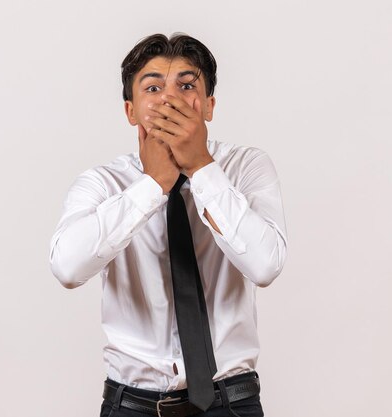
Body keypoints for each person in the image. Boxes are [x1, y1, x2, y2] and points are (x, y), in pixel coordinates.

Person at [49, 33, 287, 417]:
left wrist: (202, 168)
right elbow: (67, 268)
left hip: (231, 404)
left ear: (208, 105)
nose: (170, 100)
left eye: (187, 85)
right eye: (154, 87)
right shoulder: (102, 183)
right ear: (131, 110)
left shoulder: (246, 168)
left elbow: (265, 265)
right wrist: (153, 185)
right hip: (133, 405)